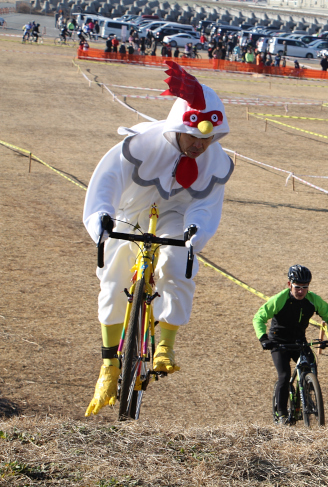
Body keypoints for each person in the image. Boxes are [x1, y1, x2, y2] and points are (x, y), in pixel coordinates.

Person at [83, 61, 233, 416]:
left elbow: (206, 205)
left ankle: (165, 344)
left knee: (179, 261)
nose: (200, 144)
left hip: (176, 213)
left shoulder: (215, 162)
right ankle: (109, 367)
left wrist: (196, 230)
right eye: (193, 136)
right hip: (132, 208)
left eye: (207, 138)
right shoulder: (140, 146)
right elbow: (106, 185)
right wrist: (102, 217)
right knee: (114, 275)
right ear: (178, 128)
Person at [253, 265, 328, 424]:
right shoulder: (280, 299)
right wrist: (263, 338)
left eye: (305, 287)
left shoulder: (313, 300)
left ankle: (307, 393)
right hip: (278, 342)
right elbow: (259, 317)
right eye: (297, 287)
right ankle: (281, 413)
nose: (301, 291)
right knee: (284, 375)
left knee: (311, 364)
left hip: (298, 341)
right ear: (289, 285)